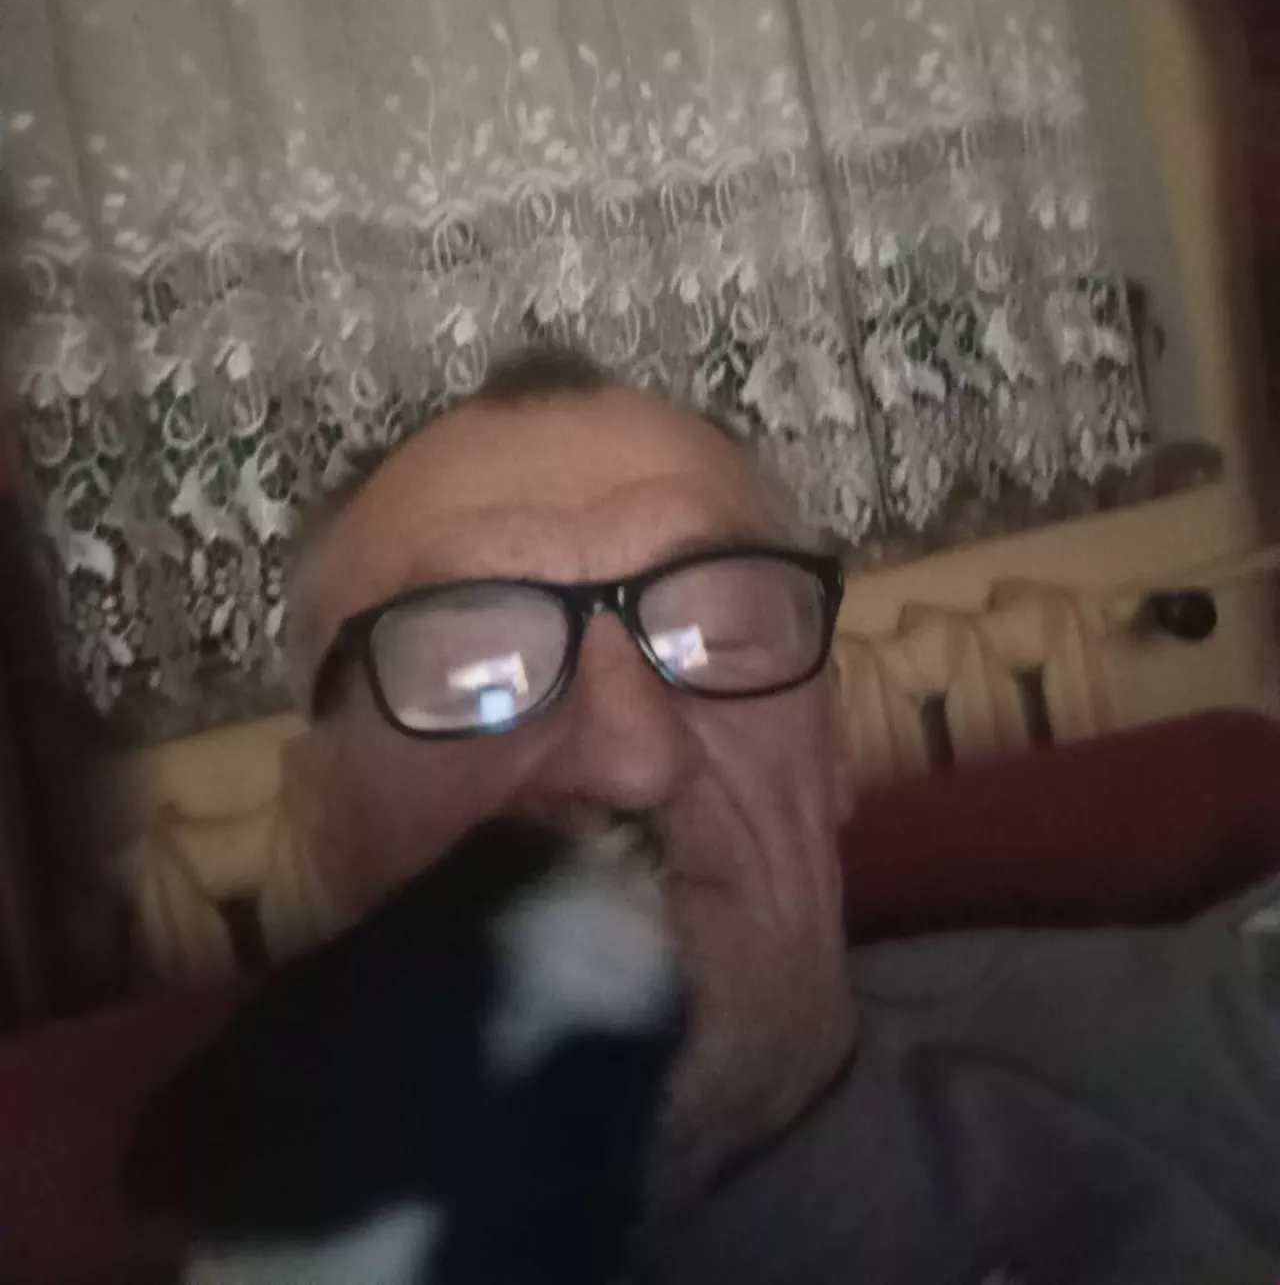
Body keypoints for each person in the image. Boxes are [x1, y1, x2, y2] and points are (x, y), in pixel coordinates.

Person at [286, 346, 1280, 1285]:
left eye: (711, 639)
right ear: (325, 826)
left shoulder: (1216, 1043)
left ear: (832, 739)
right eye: (477, 681)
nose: (631, 765)